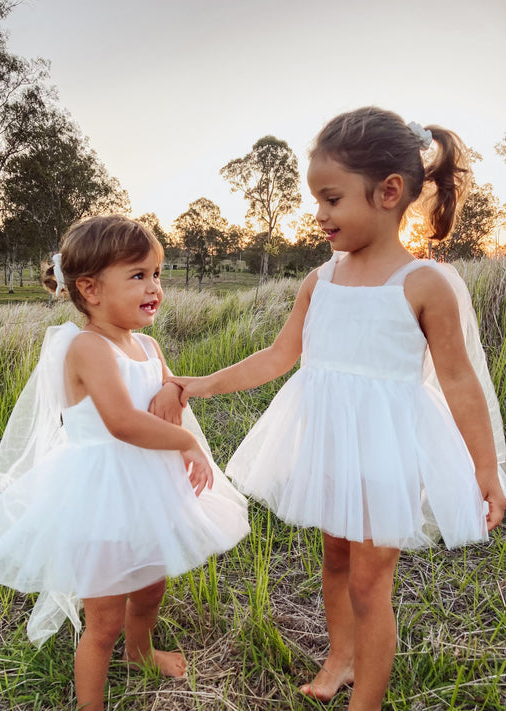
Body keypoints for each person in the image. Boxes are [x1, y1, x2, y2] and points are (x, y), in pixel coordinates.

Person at [168, 107, 506, 711]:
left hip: (387, 451)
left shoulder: (421, 284)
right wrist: (202, 383)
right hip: (329, 442)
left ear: (389, 192)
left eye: (330, 198)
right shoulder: (319, 280)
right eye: (315, 199)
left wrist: (486, 469)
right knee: (334, 560)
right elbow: (279, 355)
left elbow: (458, 381)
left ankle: (366, 700)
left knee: (372, 584)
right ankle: (341, 655)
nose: (318, 213)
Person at [0, 215, 250, 711]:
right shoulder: (87, 348)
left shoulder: (147, 345)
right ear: (90, 289)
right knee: (103, 619)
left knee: (149, 587)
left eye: (157, 274)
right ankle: (91, 703)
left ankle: (139, 651)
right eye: (138, 275)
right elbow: (122, 421)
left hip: (147, 486)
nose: (155, 287)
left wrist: (170, 386)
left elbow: (168, 387)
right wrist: (185, 444)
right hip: (100, 493)